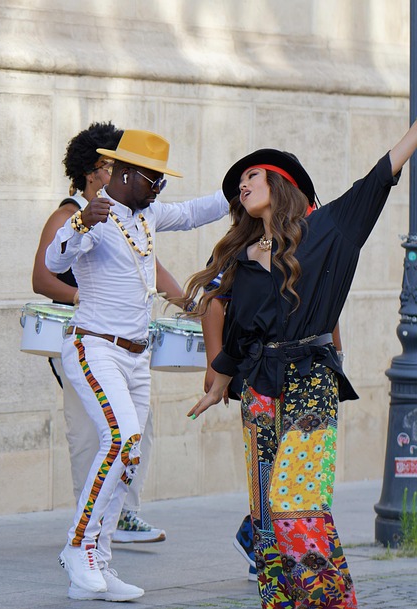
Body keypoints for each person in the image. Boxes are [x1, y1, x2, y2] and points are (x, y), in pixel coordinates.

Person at [186, 119, 417, 608]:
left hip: (312, 379)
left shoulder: (331, 228)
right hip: (259, 391)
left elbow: (382, 172)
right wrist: (218, 383)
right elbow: (243, 332)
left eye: (252, 176)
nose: (243, 185)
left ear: (280, 183)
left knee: (297, 502)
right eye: (239, 185)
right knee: (268, 518)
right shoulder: (245, 257)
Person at [45, 129, 229, 601]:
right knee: (121, 439)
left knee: (131, 455)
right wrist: (81, 224)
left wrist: (240, 188)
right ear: (126, 173)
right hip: (94, 348)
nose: (160, 188)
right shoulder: (96, 215)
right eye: (155, 178)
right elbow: (52, 260)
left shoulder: (146, 215)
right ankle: (78, 546)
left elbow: (193, 213)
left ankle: (99, 566)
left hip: (135, 355)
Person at [33, 121, 181, 544]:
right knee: (89, 433)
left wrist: (186, 300)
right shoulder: (68, 215)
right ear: (94, 170)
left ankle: (122, 515)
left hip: (126, 344)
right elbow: (44, 276)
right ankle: (88, 523)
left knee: (136, 431)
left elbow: (151, 267)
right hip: (91, 340)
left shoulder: (132, 217)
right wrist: (87, 299)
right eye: (112, 164)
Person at [198, 199, 343, 585]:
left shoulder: (314, 235)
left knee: (297, 484)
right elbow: (214, 302)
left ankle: (302, 572)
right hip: (259, 375)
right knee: (270, 479)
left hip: (309, 376)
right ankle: (261, 547)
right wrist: (218, 369)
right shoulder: (248, 249)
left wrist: (335, 358)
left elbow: (327, 309)